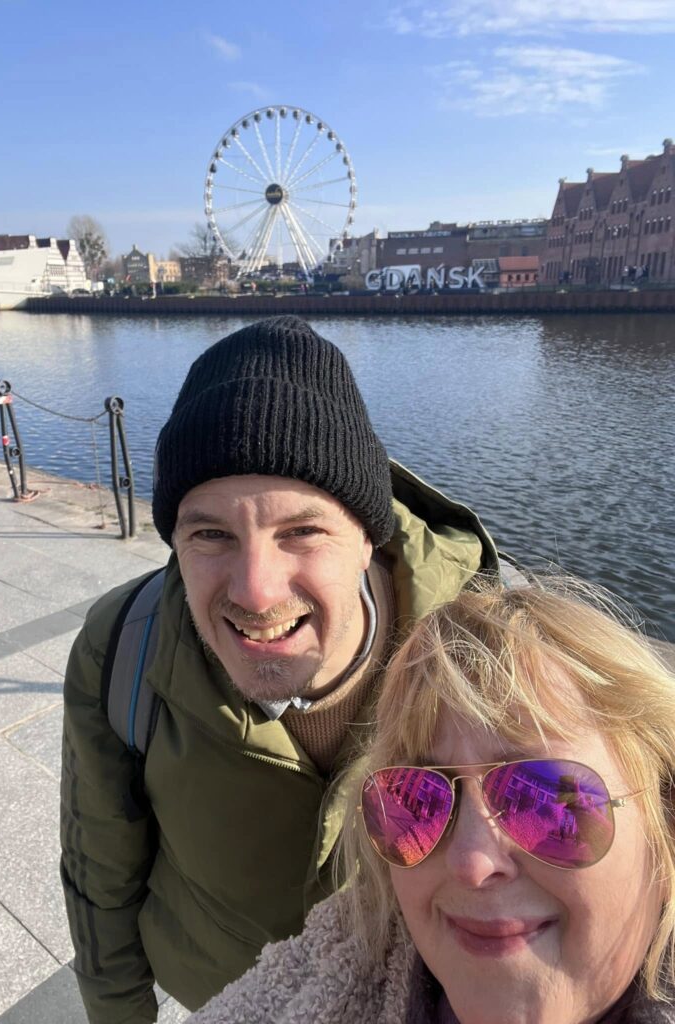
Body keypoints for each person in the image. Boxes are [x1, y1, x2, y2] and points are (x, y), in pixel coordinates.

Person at [60, 315, 499, 1022]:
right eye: (210, 534)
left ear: (368, 536)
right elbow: (100, 874)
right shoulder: (120, 650)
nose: (256, 590)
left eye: (301, 531)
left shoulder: (485, 655)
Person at [185, 576, 675, 1024]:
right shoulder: (317, 976)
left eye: (543, 799)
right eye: (416, 801)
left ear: (664, 821)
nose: (470, 862)